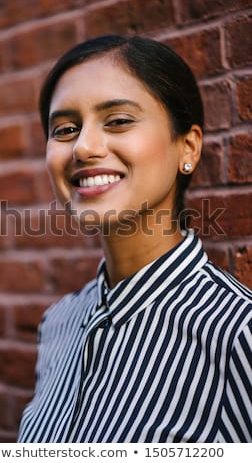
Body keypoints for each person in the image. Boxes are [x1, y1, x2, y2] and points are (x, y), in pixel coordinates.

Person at [17, 35, 252, 443]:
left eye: (119, 120)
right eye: (65, 129)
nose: (84, 147)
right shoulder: (58, 323)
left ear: (189, 147)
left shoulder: (237, 335)